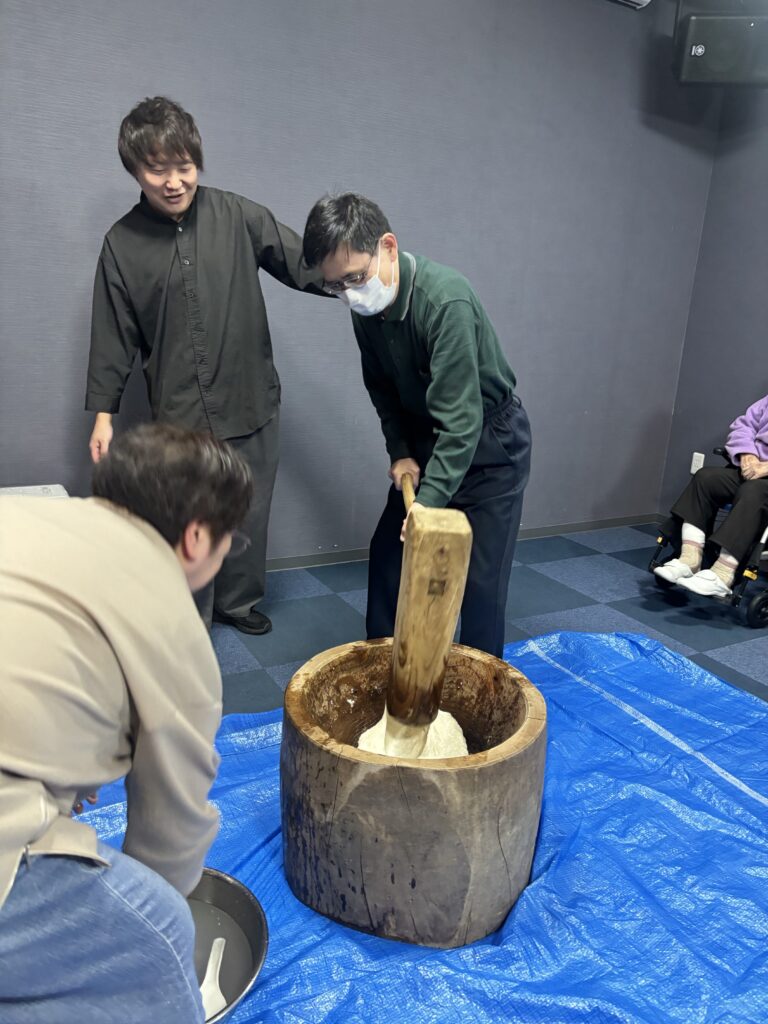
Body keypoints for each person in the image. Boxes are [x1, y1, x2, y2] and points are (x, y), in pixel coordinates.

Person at [0, 423, 254, 1023]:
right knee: (160, 928)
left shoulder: (26, 512)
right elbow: (171, 838)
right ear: (197, 537)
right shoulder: (175, 629)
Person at [86, 96, 325, 636]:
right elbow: (113, 334)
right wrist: (103, 414)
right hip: (180, 408)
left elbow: (303, 262)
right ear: (135, 170)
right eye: (158, 170)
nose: (174, 182)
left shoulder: (238, 215)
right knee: (187, 516)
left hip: (249, 394)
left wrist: (358, 278)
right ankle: (189, 614)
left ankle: (237, 603)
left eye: (185, 166)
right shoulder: (121, 244)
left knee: (249, 506)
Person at [302, 193, 531, 658]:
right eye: (336, 286)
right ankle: (382, 666)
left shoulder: (445, 301)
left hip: (489, 443)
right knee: (389, 557)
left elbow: (462, 422)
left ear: (387, 247)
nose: (350, 293)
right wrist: (400, 451)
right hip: (428, 438)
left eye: (355, 277)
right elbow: (383, 391)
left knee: (480, 585)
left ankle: (481, 688)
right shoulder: (366, 310)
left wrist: (427, 504)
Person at [655, 393, 768, 596]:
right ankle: (690, 559)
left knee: (752, 491)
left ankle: (723, 573)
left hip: (761, 480)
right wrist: (747, 455)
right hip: (751, 469)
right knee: (705, 477)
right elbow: (743, 427)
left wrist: (765, 467)